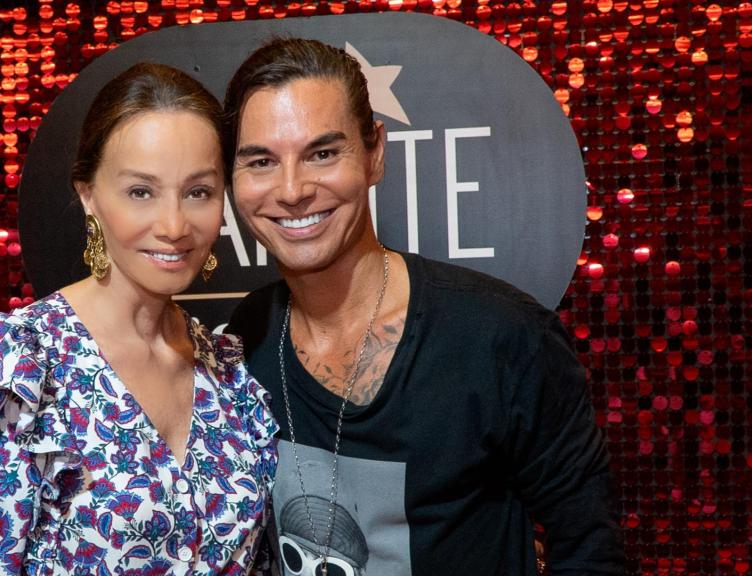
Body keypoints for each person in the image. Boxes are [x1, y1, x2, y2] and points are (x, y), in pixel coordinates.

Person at [0, 62, 278, 576]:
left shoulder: (229, 373)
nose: (173, 225)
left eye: (198, 192)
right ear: (89, 195)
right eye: (140, 191)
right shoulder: (17, 372)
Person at [223, 38, 624, 575]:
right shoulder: (244, 338)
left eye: (323, 153)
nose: (293, 190)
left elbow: (590, 551)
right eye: (262, 161)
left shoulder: (502, 337)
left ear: (374, 154)